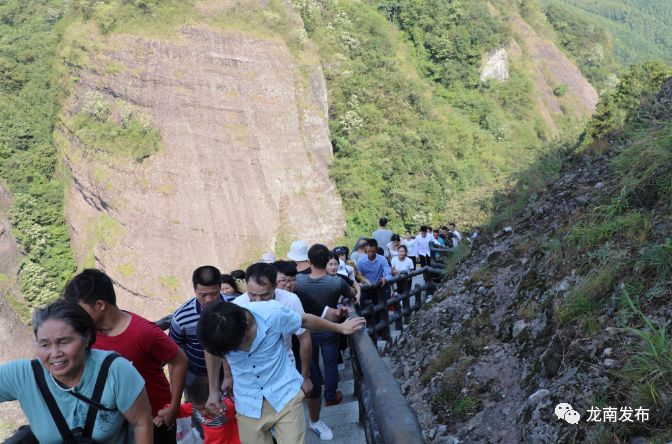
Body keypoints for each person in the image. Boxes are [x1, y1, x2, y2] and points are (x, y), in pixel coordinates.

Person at [201, 301, 365, 444]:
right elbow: (211, 351)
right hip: (247, 402)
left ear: (244, 331)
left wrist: (340, 328)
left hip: (285, 396)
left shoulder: (272, 314)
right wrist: (213, 391)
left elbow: (305, 320)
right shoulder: (215, 330)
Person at [62, 269, 188, 443]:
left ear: (100, 305)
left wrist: (173, 406)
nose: (76, 317)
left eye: (80, 310)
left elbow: (179, 360)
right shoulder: (87, 334)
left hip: (154, 418)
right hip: (113, 420)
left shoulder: (143, 332)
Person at [0, 300, 153, 443]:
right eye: (45, 345)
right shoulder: (25, 376)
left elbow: (141, 422)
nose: (55, 353)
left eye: (64, 341)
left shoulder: (115, 371)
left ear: (86, 337)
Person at [296, 244, 356, 418]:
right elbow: (352, 293)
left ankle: (314, 396)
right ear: (327, 260)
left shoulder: (298, 281)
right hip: (330, 327)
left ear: (309, 261)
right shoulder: (336, 282)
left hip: (306, 331)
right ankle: (330, 396)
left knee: (311, 365)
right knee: (330, 365)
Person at [170, 266, 232, 386]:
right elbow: (173, 351)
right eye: (202, 295)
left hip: (234, 372)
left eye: (214, 294)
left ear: (220, 287)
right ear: (194, 290)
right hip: (196, 375)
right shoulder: (182, 317)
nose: (208, 299)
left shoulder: (235, 305)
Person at [176, 377, 240, 444]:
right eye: (199, 409)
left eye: (205, 408)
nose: (203, 413)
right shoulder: (195, 408)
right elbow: (180, 409)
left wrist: (223, 406)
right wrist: (168, 409)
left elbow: (231, 407)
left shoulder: (221, 407)